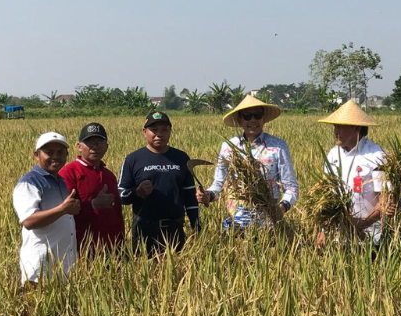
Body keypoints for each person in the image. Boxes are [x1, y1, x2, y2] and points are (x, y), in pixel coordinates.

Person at [198, 95, 299, 231]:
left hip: (268, 220)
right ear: (240, 120)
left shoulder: (278, 146)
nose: (252, 120)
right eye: (247, 116)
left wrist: (282, 208)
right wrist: (208, 195)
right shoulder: (228, 147)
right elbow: (219, 184)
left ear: (263, 118)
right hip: (235, 219)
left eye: (257, 115)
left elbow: (291, 187)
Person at [118, 112, 200, 255]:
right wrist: (137, 192)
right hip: (144, 229)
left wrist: (197, 226)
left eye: (164, 130)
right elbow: (121, 195)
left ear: (170, 132)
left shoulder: (181, 158)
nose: (159, 134)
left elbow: (190, 196)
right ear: (145, 132)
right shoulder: (133, 159)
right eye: (154, 130)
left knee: (177, 272)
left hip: (175, 229)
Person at [315, 99, 387, 246]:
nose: (336, 132)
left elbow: (385, 201)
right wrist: (323, 230)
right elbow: (326, 197)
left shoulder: (377, 155)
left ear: (356, 128)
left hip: (369, 238)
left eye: (341, 127)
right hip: (336, 237)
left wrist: (360, 225)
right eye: (335, 126)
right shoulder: (333, 155)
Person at [12, 132, 79, 285]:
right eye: (49, 152)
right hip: (40, 267)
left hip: (64, 265)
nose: (55, 156)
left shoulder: (61, 181)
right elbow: (29, 221)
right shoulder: (29, 183)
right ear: (37, 155)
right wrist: (62, 209)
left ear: (67, 154)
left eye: (61, 152)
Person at [59, 122, 125, 251]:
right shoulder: (69, 172)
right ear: (79, 146)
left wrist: (121, 242)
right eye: (89, 142)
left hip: (112, 246)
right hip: (81, 247)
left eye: (99, 142)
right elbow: (63, 212)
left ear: (106, 146)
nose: (95, 147)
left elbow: (117, 212)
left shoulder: (109, 175)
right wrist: (93, 205)